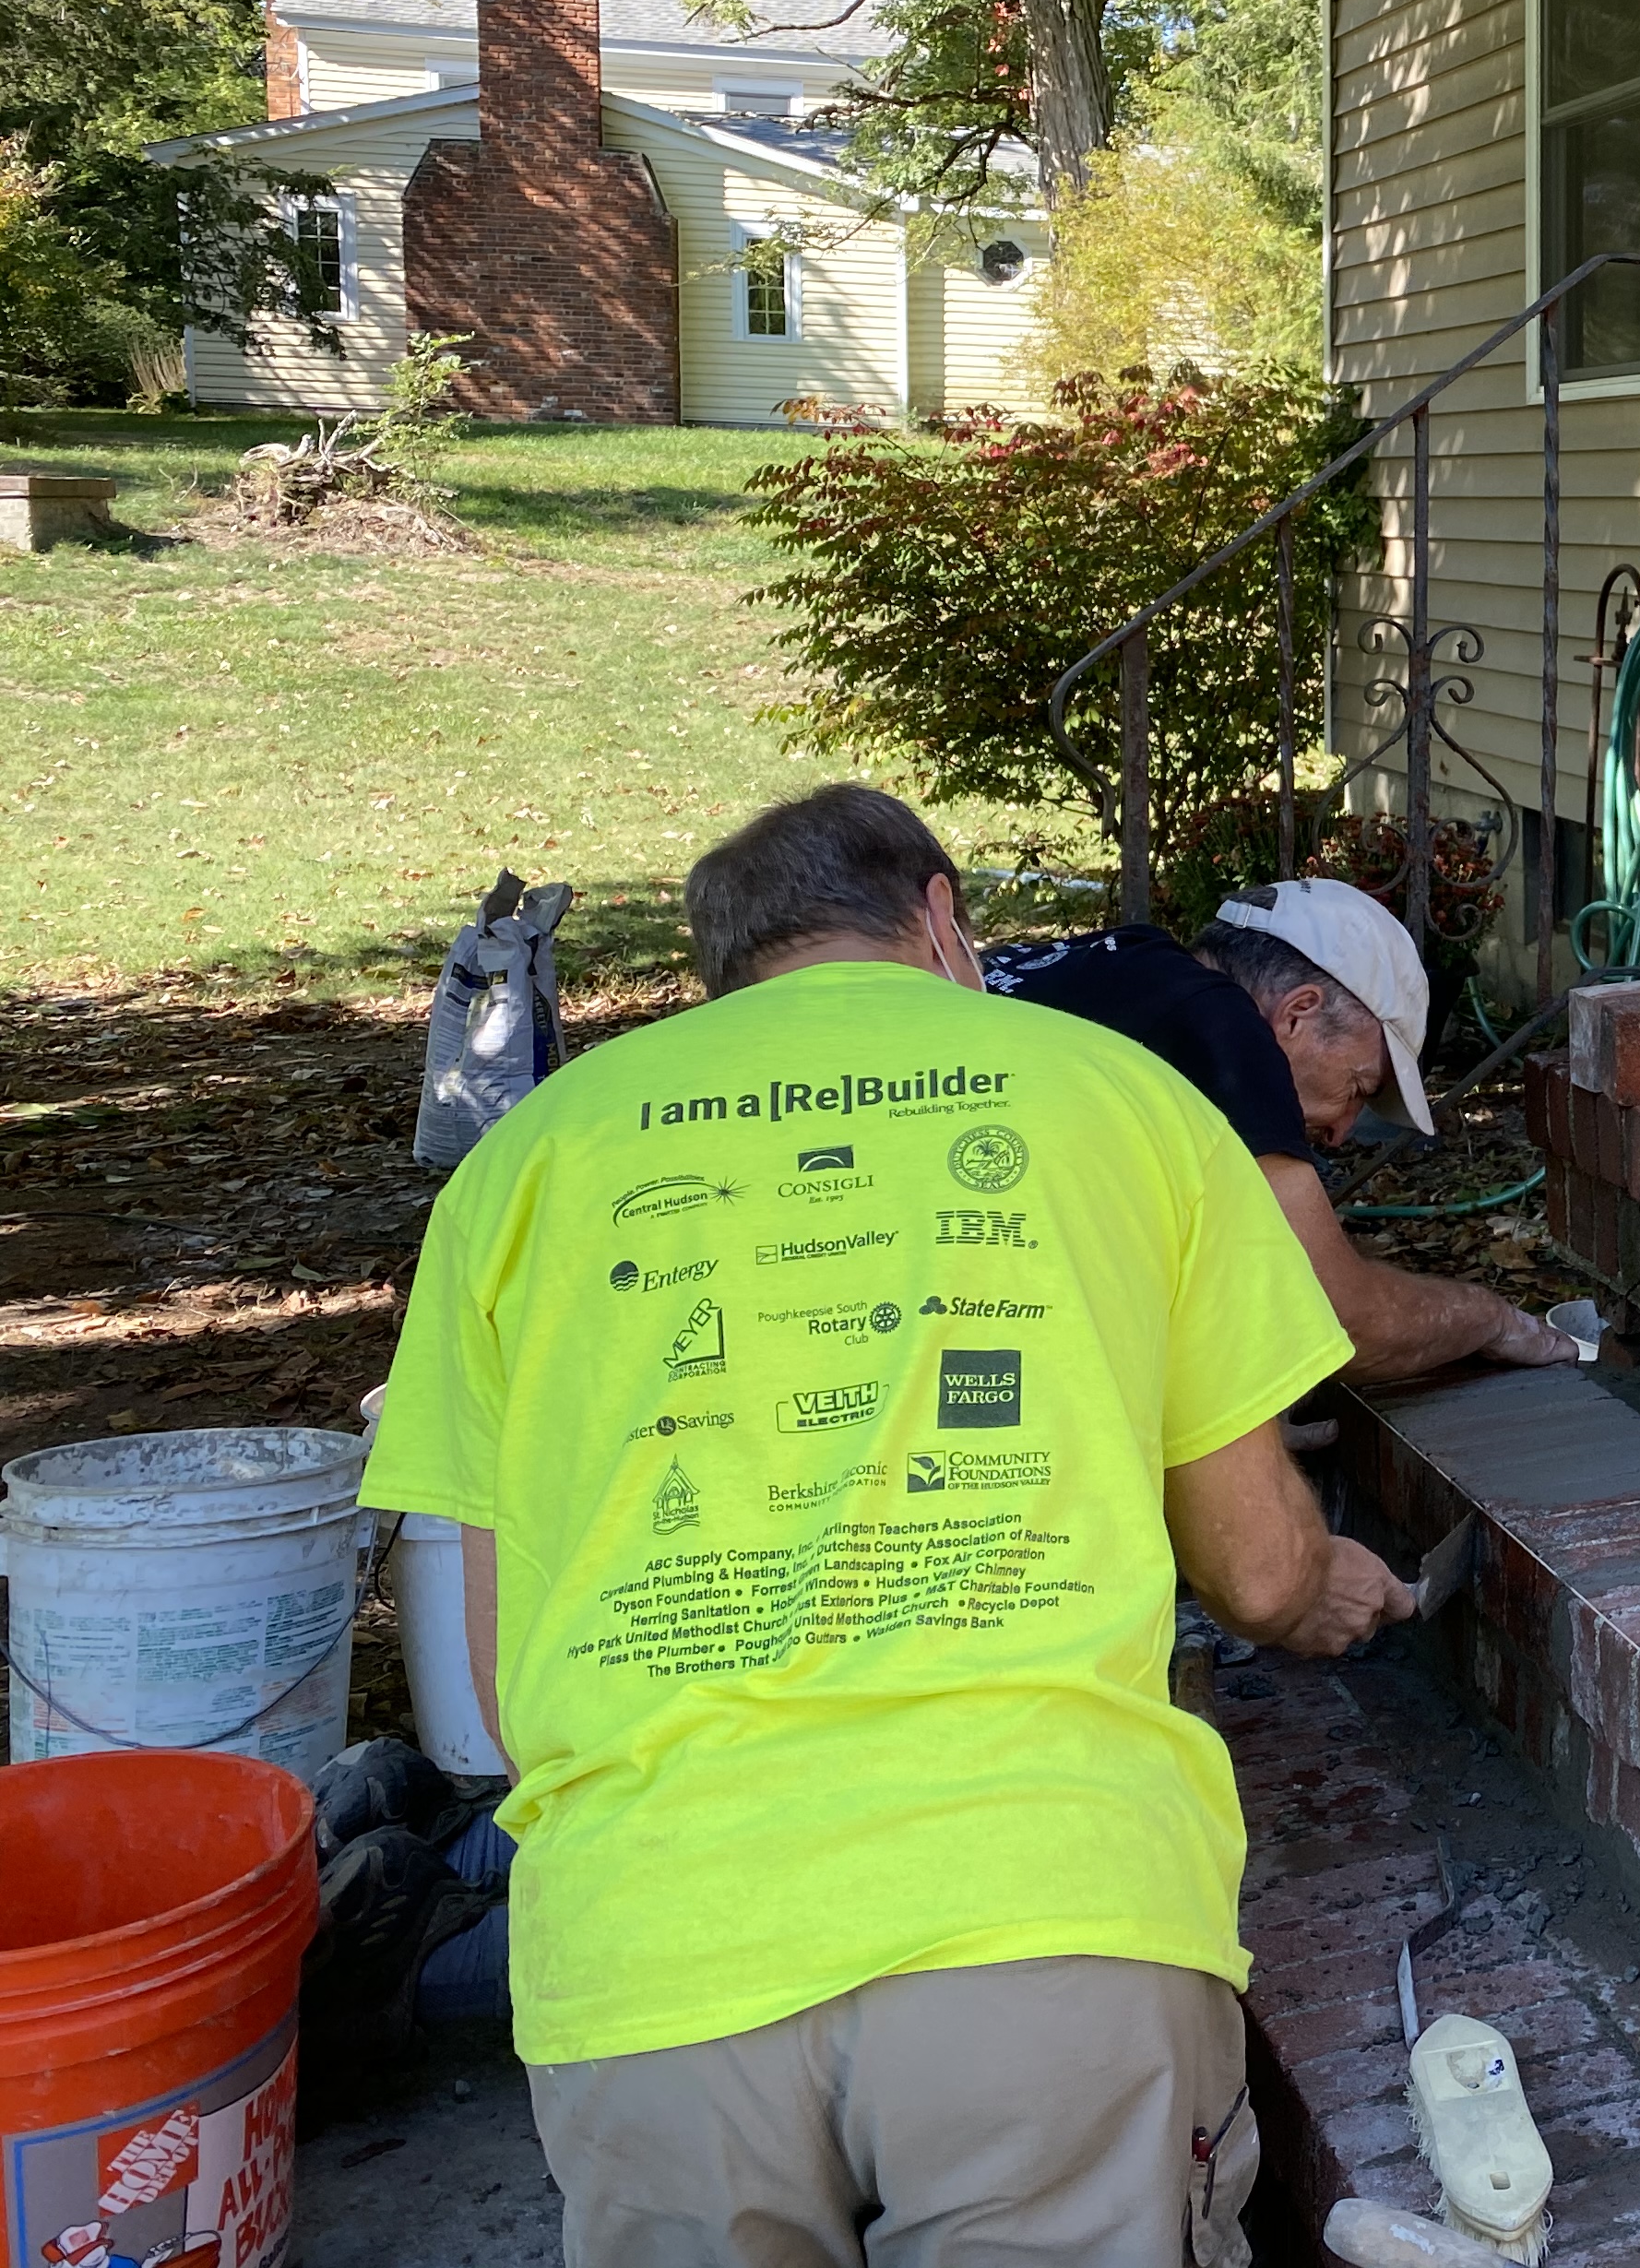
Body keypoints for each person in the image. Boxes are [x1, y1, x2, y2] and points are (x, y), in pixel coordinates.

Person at [362, 784, 1408, 2264]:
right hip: (1049, 1927)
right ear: (939, 917)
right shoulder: (1119, 1097)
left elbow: (503, 1680)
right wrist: (1315, 1583)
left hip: (656, 1955)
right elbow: (1253, 1568)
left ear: (725, 972)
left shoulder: (524, 1167)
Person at [985, 882, 1575, 1383]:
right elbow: (1338, 1318)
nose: (1342, 1132)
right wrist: (1492, 1319)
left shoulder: (1129, 968)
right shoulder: (1225, 1029)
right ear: (1298, 1013)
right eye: (1358, 1089)